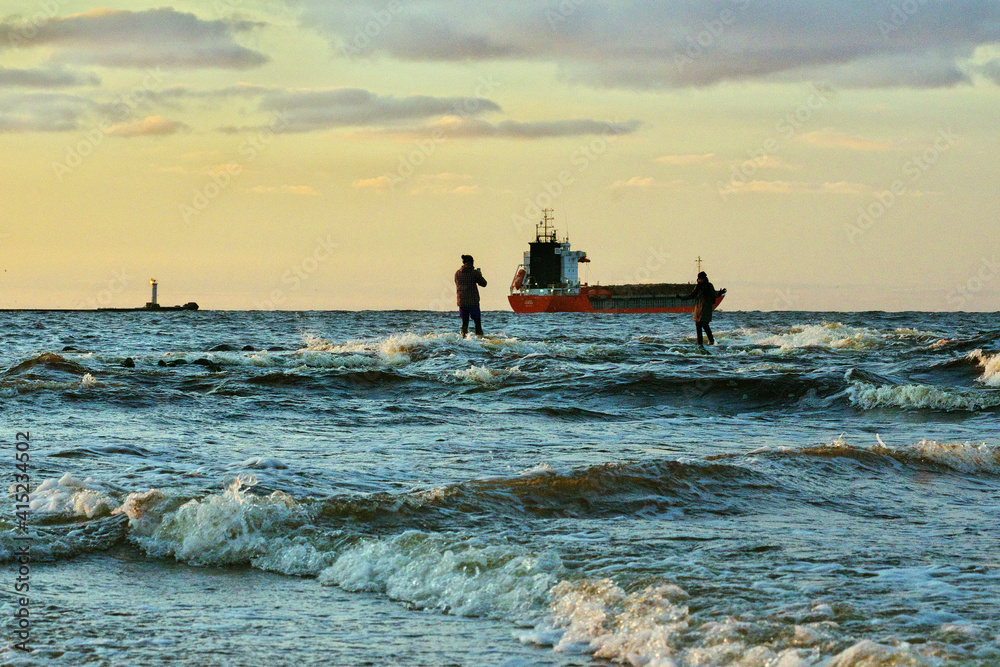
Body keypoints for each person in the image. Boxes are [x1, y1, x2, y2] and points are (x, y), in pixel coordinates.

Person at [678, 271, 725, 349]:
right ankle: (699, 344)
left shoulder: (709, 286)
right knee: (698, 325)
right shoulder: (698, 286)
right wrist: (682, 298)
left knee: (705, 325)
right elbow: (692, 295)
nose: (699, 280)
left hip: (706, 308)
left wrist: (720, 293)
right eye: (699, 279)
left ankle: (711, 341)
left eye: (701, 279)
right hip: (699, 308)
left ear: (704, 278)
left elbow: (714, 294)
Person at [455, 254, 487, 337]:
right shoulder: (474, 273)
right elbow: (484, 283)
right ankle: (480, 340)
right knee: (477, 324)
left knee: (464, 324)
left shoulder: (457, 273)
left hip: (462, 302)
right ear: (472, 262)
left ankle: (464, 340)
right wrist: (480, 275)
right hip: (473, 302)